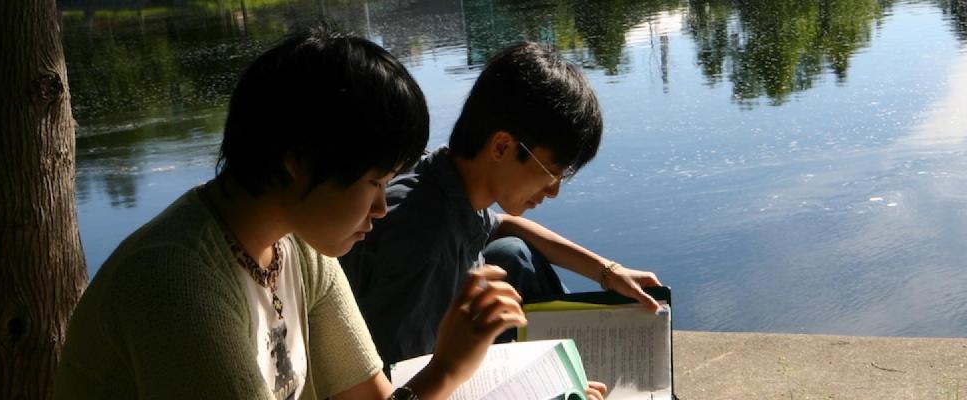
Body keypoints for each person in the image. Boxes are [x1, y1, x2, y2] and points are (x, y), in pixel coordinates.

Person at [54, 29, 591, 400]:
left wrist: (450, 365)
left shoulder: (298, 247)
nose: (384, 206)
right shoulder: (174, 282)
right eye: (374, 183)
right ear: (295, 163)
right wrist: (448, 367)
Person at [339, 42, 664, 367]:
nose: (553, 192)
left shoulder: (443, 180)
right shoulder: (427, 241)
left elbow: (503, 225)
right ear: (501, 147)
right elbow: (398, 380)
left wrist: (608, 272)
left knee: (513, 255)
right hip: (413, 375)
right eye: (551, 173)